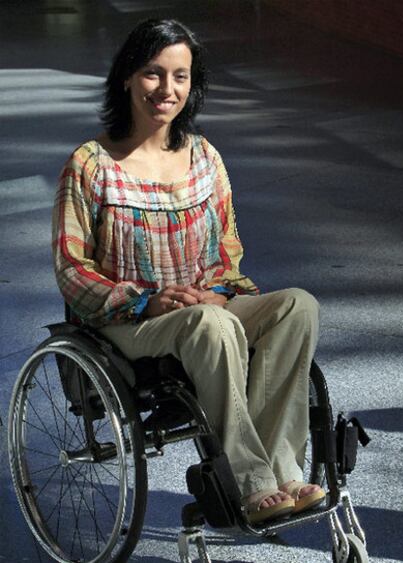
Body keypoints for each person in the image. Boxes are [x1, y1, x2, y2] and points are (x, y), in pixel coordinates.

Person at [52, 18, 325, 524]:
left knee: (297, 306)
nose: (167, 89)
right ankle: (249, 481)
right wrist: (145, 300)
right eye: (154, 74)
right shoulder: (90, 165)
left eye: (180, 76)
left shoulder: (204, 157)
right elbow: (72, 268)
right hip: (126, 322)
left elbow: (227, 248)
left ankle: (282, 465)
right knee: (212, 324)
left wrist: (218, 291)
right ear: (128, 78)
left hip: (202, 305)